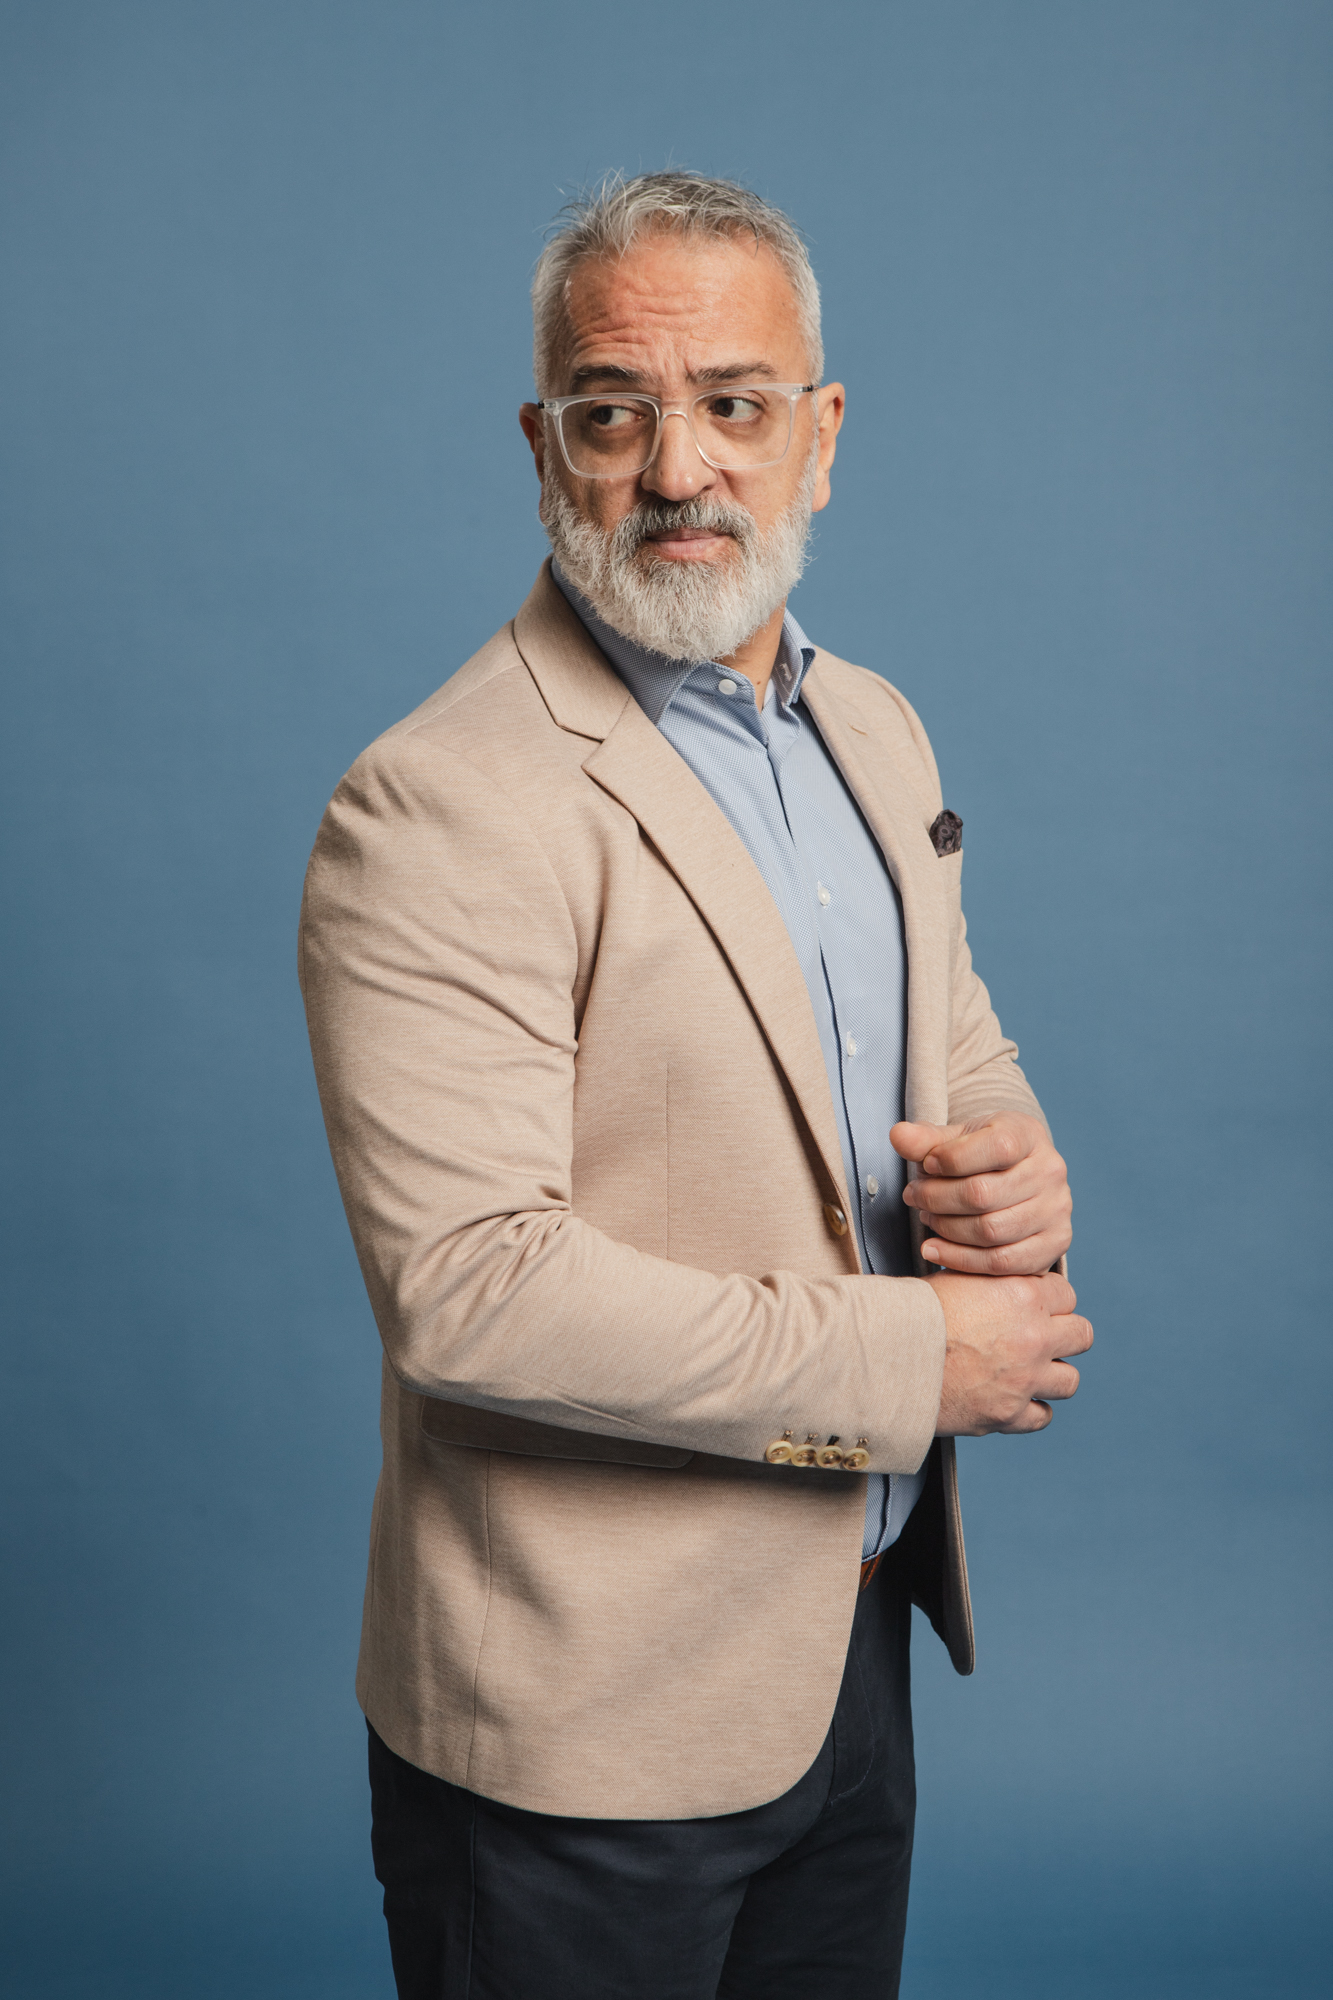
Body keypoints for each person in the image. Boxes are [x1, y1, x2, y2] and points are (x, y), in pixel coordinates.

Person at [299, 170, 1090, 2000]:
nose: (678, 469)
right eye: (613, 413)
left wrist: (1014, 1170)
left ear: (822, 434)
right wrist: (917, 1360)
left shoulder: (871, 726)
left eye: (733, 403)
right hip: (578, 1721)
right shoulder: (436, 805)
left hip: (842, 1653)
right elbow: (470, 1293)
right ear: (543, 446)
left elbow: (952, 1043)